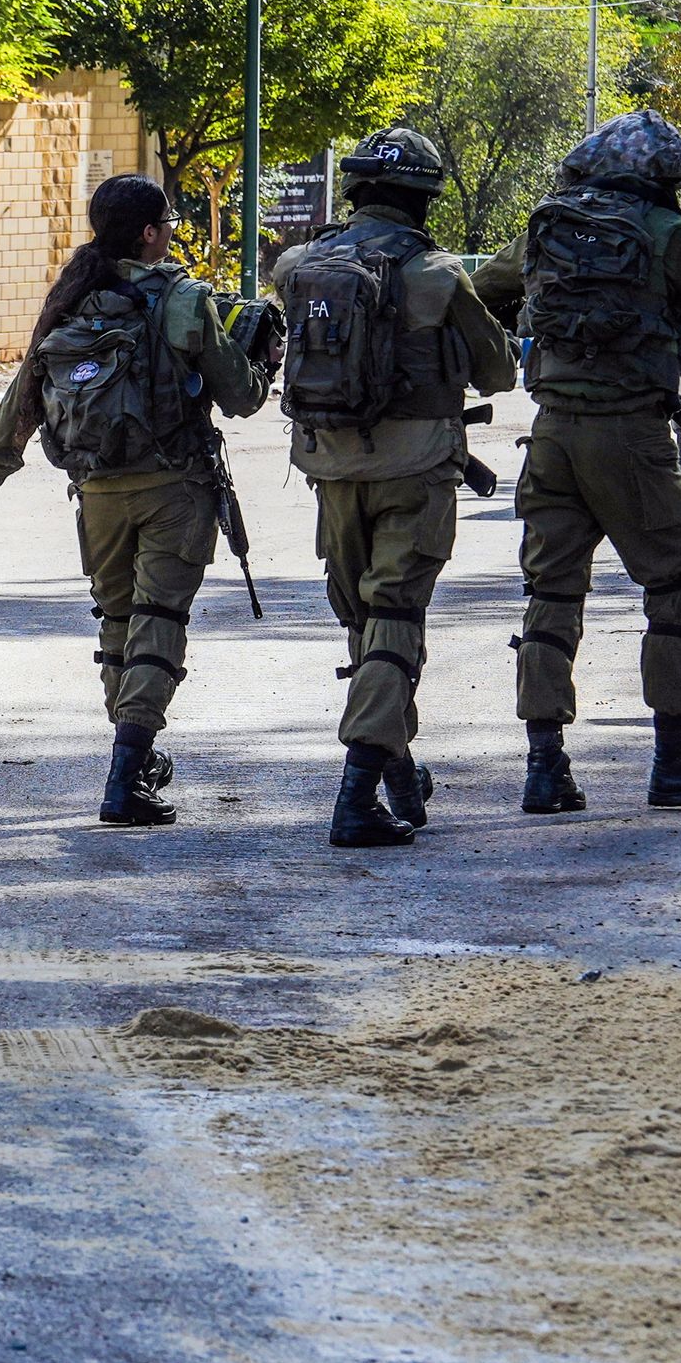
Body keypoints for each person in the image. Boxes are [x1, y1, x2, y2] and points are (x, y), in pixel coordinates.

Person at [0, 174, 272, 825]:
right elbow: (241, 396)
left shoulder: (72, 296)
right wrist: (260, 361)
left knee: (118, 626)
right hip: (172, 488)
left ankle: (133, 757)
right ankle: (126, 776)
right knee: (159, 622)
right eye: (170, 226)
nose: (172, 237)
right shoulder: (181, 299)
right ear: (150, 233)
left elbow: (26, 394)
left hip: (95, 491)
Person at [468, 108, 681, 812]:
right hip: (630, 435)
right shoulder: (668, 234)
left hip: (553, 433)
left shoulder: (547, 226)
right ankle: (675, 760)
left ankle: (545, 769)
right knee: (676, 593)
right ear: (661, 177)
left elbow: (486, 294)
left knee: (552, 596)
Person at [270, 127, 515, 847]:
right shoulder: (439, 274)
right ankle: (355, 797)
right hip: (415, 471)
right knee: (396, 621)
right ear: (423, 197)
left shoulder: (297, 266)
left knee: (367, 627)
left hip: (330, 470)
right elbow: (499, 375)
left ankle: (398, 775)